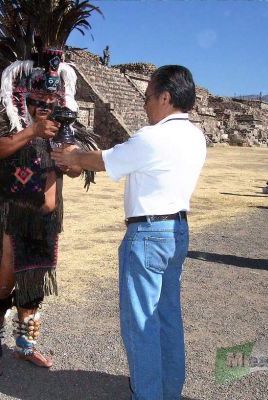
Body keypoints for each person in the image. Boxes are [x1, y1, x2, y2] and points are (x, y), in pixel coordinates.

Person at [0, 0, 100, 378]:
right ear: (25, 92)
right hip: (11, 213)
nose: (46, 103)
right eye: (40, 99)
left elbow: (76, 172)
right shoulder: (5, 117)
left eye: (51, 98)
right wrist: (29, 131)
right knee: (5, 277)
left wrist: (71, 162)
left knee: (34, 281)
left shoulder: (64, 124)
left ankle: (26, 346)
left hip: (46, 216)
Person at [51, 65, 206, 400]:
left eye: (149, 97)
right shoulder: (195, 135)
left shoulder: (154, 137)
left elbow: (107, 160)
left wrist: (72, 155)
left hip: (149, 233)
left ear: (165, 97)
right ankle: (168, 392)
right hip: (176, 230)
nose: (146, 104)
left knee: (141, 325)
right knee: (167, 319)